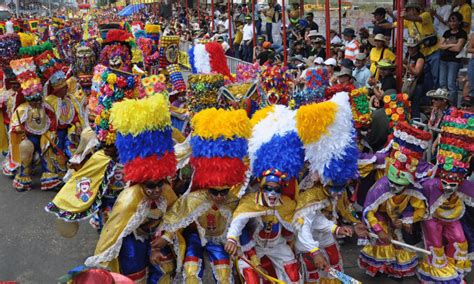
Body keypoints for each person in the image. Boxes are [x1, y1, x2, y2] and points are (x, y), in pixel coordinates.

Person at [84, 94, 178, 283]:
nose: (157, 190)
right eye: (151, 186)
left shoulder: (166, 190)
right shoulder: (130, 197)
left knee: (166, 265)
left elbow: (178, 214)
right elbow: (112, 232)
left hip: (158, 238)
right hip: (134, 238)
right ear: (140, 182)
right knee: (133, 263)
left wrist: (166, 237)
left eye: (160, 183)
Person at [156, 109, 250, 284]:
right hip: (196, 239)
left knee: (224, 276)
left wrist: (234, 241)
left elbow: (243, 223)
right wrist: (166, 237)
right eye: (214, 191)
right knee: (191, 271)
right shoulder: (195, 198)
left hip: (218, 242)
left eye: (224, 191)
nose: (220, 196)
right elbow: (177, 217)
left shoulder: (233, 202)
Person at [359, 122, 431, 279]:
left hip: (399, 215)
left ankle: (395, 267)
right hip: (380, 213)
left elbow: (422, 209)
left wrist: (408, 220)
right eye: (394, 183)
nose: (395, 187)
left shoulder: (414, 188)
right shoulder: (381, 186)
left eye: (400, 185)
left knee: (399, 241)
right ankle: (378, 267)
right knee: (384, 239)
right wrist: (378, 229)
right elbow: (368, 210)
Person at [418, 108, 474, 283]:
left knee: (460, 241)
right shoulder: (431, 185)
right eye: (446, 184)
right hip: (432, 218)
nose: (449, 188)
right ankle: (436, 276)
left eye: (453, 185)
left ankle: (453, 272)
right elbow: (416, 198)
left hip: (451, 217)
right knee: (435, 247)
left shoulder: (464, 186)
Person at [439, 12, 468, 106]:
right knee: (442, 83)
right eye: (450, 21)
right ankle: (444, 105)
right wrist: (452, 44)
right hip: (443, 60)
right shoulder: (446, 32)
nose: (452, 23)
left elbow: (458, 48)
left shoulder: (462, 33)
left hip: (454, 61)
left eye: (454, 21)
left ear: (459, 22)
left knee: (451, 84)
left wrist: (446, 44)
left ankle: (452, 107)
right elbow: (440, 46)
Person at [405, 37, 425, 119]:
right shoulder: (408, 55)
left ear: (416, 47)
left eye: (412, 47)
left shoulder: (420, 57)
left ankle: (416, 123)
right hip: (408, 82)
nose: (410, 49)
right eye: (409, 47)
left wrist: (408, 65)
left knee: (415, 105)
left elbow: (417, 72)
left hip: (417, 84)